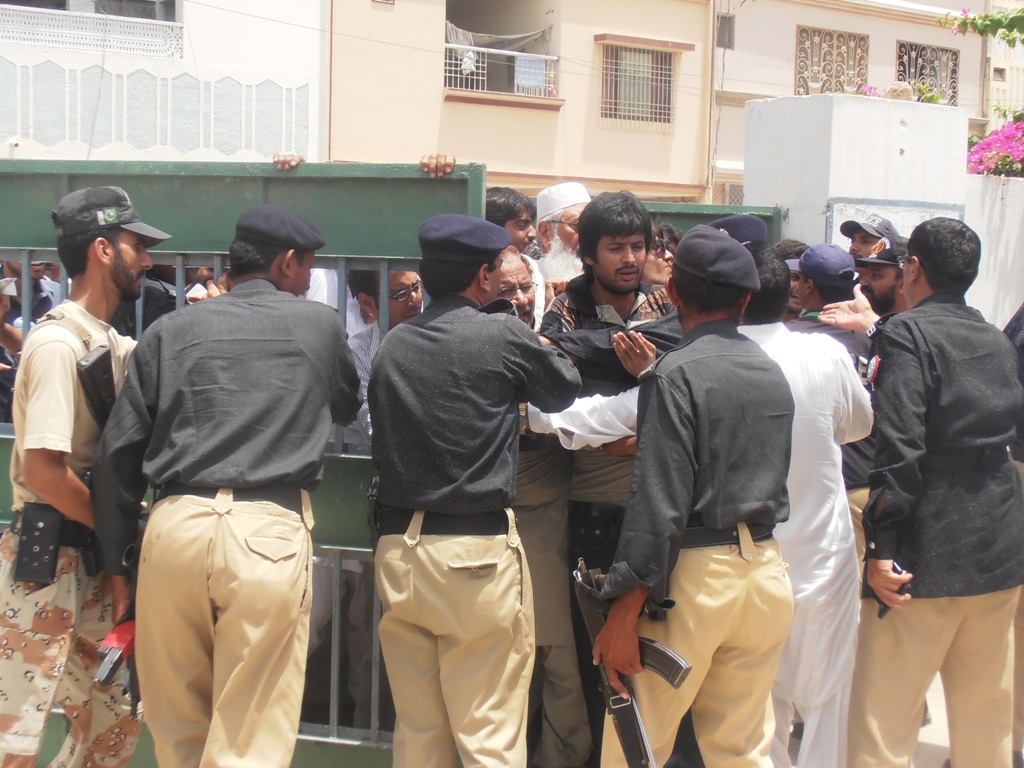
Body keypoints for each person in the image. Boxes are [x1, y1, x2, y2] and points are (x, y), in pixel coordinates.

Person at [92, 204, 362, 767]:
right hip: (267, 532)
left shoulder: (168, 330)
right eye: (307, 266)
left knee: (177, 731)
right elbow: (345, 402)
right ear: (288, 263)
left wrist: (120, 569)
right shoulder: (318, 323)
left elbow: (117, 455)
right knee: (250, 737)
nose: (308, 280)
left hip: (172, 530)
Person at [369, 213, 581, 768]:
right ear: (485, 276)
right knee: (488, 734)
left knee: (419, 735)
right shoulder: (500, 332)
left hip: (399, 553)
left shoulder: (394, 343)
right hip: (474, 559)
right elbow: (563, 387)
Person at [593, 225, 795, 768]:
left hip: (697, 580)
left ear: (674, 293)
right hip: (767, 574)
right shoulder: (771, 371)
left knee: (636, 746)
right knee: (743, 749)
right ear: (747, 299)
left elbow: (659, 501)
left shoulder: (676, 373)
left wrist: (623, 610)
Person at [847, 217, 1024, 768]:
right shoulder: (994, 338)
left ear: (913, 267)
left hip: (922, 552)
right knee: (985, 719)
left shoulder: (906, 334)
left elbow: (899, 449)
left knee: (884, 721)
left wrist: (881, 550)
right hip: (997, 543)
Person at [0, 185, 167, 767]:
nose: (146, 259)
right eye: (135, 245)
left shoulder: (109, 343)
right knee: (15, 739)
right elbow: (42, 472)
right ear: (102, 249)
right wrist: (115, 527)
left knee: (113, 726)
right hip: (48, 566)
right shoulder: (54, 345)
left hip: (94, 566)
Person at [739, 245, 872, 767]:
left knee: (757, 698)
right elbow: (860, 426)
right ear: (787, 294)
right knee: (826, 699)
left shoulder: (703, 360)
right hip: (821, 558)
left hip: (750, 562)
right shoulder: (825, 353)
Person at [343, 268, 424, 448]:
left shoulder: (445, 339)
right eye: (400, 294)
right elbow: (379, 432)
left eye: (417, 286)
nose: (415, 300)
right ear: (367, 302)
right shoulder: (357, 355)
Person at [534, 181, 591, 307]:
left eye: (592, 226)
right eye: (578, 225)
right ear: (546, 233)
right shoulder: (529, 277)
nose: (588, 235)